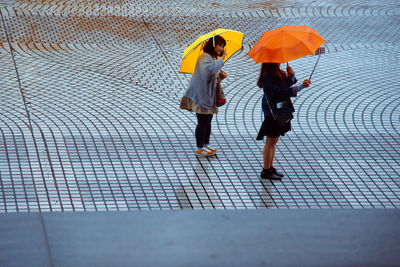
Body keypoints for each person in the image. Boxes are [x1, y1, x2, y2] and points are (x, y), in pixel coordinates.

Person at [256, 63, 311, 179]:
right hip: (273, 112)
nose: (279, 62)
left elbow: (286, 85)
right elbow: (281, 91)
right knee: (270, 140)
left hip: (280, 109)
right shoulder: (268, 76)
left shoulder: (278, 72)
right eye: (276, 60)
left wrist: (291, 75)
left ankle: (270, 167)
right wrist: (301, 87)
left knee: (274, 139)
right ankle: (266, 170)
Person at [182, 35, 227, 157]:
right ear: (213, 45)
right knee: (202, 121)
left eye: (222, 46)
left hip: (208, 96)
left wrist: (220, 77)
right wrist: (221, 60)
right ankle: (199, 148)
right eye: (219, 45)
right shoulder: (204, 57)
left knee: (208, 120)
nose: (221, 49)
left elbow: (212, 76)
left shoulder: (211, 58)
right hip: (201, 95)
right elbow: (209, 71)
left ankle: (206, 144)